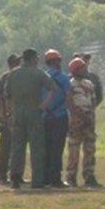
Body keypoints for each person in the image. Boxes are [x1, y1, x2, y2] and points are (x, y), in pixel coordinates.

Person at [6, 49, 56, 189]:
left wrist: (10, 112)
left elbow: (7, 96)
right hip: (34, 112)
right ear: (34, 58)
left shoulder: (13, 74)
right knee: (37, 147)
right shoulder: (38, 73)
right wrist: (43, 106)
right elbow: (53, 88)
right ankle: (37, 181)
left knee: (17, 147)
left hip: (17, 113)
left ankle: (15, 178)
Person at [66, 57, 102, 189]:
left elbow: (93, 100)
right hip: (76, 119)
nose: (85, 69)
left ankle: (89, 175)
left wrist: (91, 114)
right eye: (82, 67)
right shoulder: (70, 84)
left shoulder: (89, 84)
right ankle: (71, 176)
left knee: (90, 148)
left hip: (89, 118)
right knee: (74, 149)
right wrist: (79, 115)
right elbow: (69, 102)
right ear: (76, 70)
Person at [42, 49, 72, 187]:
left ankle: (45, 177)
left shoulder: (42, 77)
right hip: (60, 117)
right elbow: (69, 98)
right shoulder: (64, 78)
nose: (60, 62)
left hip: (45, 117)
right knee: (57, 149)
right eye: (58, 60)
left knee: (46, 148)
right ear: (55, 62)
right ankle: (56, 179)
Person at [0, 54, 21, 185]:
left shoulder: (20, 76)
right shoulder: (5, 78)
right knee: (6, 148)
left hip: (19, 117)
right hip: (8, 118)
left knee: (17, 147)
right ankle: (2, 174)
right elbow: (0, 100)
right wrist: (2, 118)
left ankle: (16, 174)